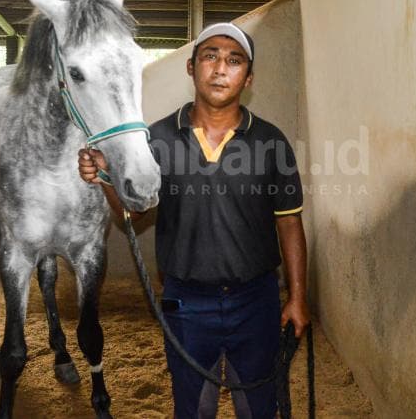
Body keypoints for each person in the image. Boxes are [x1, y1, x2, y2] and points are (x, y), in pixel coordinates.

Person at [77, 22, 310, 418]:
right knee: (193, 409)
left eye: (234, 61)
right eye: (211, 57)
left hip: (256, 300)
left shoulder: (271, 141)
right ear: (191, 67)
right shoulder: (157, 139)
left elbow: (289, 223)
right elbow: (133, 211)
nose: (221, 69)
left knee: (259, 407)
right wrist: (105, 180)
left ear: (248, 78)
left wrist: (298, 298)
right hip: (185, 302)